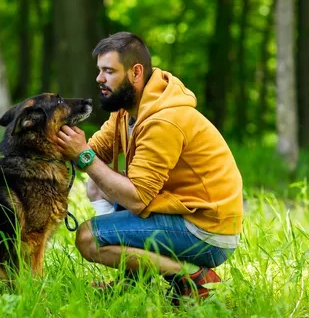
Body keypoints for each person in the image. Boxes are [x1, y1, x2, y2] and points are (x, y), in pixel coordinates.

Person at [56, 31, 243, 301]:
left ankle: (193, 276)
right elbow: (96, 151)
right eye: (99, 71)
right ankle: (131, 283)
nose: (99, 79)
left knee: (89, 238)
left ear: (136, 72)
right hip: (179, 211)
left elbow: (136, 198)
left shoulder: (164, 120)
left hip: (207, 232)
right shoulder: (126, 110)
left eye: (108, 71)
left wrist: (83, 156)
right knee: (97, 184)